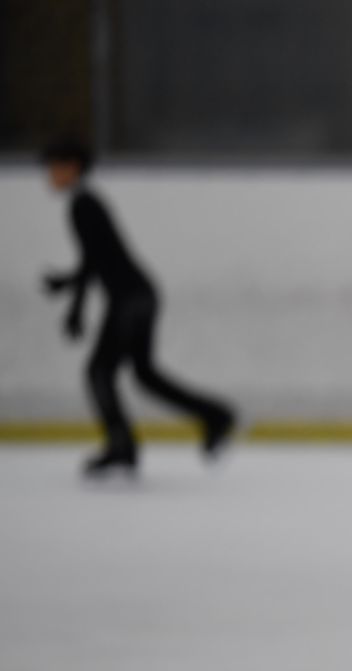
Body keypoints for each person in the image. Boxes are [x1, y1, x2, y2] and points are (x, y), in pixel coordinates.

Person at [39, 138, 239, 480]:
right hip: (138, 295)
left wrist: (75, 304)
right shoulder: (86, 203)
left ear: (72, 167)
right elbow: (98, 259)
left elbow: (96, 259)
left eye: (54, 167)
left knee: (100, 373)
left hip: (129, 299)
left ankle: (123, 447)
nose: (49, 176)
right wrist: (70, 285)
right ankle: (215, 415)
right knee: (143, 375)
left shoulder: (83, 205)